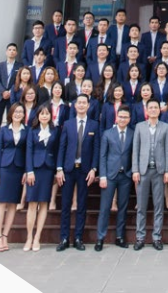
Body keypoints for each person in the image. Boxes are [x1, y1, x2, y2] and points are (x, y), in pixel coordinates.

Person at [55, 93, 100, 252]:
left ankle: (78, 238)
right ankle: (64, 238)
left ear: (88, 106)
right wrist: (59, 168)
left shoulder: (94, 125)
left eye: (84, 103)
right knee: (66, 205)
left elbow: (96, 149)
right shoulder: (68, 124)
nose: (81, 105)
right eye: (79, 102)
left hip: (85, 170)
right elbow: (62, 147)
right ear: (75, 106)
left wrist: (94, 169)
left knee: (82, 205)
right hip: (68, 169)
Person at [132, 98, 168, 250]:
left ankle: (157, 237)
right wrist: (135, 170)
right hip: (143, 171)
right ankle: (140, 237)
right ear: (147, 110)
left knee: (158, 206)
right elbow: (135, 150)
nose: (153, 110)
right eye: (151, 107)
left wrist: (167, 170)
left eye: (156, 107)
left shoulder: (166, 127)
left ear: (159, 110)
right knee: (141, 207)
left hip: (159, 171)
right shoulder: (139, 127)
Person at [95, 105, 134, 251]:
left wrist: (132, 171)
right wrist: (102, 176)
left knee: (123, 207)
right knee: (105, 207)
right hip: (110, 175)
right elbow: (103, 156)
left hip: (126, 175)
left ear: (129, 119)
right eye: (120, 117)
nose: (122, 119)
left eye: (125, 117)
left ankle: (120, 237)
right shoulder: (107, 133)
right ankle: (100, 238)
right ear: (116, 118)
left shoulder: (132, 133)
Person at [0, 102, 28, 251]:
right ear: (11, 114)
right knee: (1, 203)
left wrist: (26, 171)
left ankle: (5, 236)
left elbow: (27, 152)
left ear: (24, 114)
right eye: (16, 111)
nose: (18, 114)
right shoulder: (3, 130)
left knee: (13, 204)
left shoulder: (27, 131)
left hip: (18, 170)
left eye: (21, 112)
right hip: (4, 169)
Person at [24, 103, 60, 251]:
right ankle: (29, 237)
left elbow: (57, 151)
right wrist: (29, 171)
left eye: (47, 113)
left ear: (51, 115)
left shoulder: (55, 130)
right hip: (34, 170)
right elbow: (28, 151)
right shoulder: (32, 131)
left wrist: (57, 170)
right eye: (42, 114)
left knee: (44, 203)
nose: (44, 116)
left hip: (48, 169)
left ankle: (37, 237)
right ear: (38, 116)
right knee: (32, 204)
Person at [0, 43, 19, 152]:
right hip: (0, 96)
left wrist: (10, 92)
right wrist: (3, 91)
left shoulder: (19, 66)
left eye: (14, 50)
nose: (12, 51)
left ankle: (8, 144)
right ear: (6, 52)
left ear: (16, 53)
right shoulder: (0, 65)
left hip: (12, 97)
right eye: (10, 49)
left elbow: (18, 81)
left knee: (10, 121)